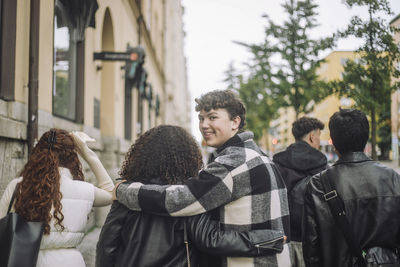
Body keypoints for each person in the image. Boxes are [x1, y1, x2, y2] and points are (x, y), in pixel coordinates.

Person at [115, 89, 291, 267]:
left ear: (235, 122)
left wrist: (122, 190)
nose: (204, 125)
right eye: (201, 118)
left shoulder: (235, 161)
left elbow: (180, 199)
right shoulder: (256, 155)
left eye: (213, 117)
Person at [0, 129, 114, 267]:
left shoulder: (18, 187)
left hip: (25, 260)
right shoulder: (83, 190)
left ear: (37, 155)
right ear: (72, 158)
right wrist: (87, 153)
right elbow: (111, 193)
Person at [302, 109, 400, 267]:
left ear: (333, 141)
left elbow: (311, 250)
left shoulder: (318, 185)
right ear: (366, 136)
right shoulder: (394, 179)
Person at [273, 117, 327, 267]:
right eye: (318, 137)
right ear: (312, 137)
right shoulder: (321, 163)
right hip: (311, 239)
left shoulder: (278, 162)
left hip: (283, 238)